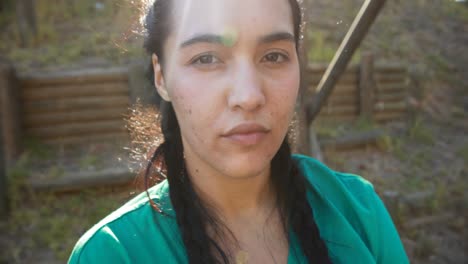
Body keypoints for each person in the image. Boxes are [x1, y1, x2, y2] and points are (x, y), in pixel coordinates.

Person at [68, 0, 409, 263]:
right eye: (206, 59)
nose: (248, 96)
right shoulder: (113, 254)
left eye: (274, 56)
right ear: (161, 76)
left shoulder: (358, 212)